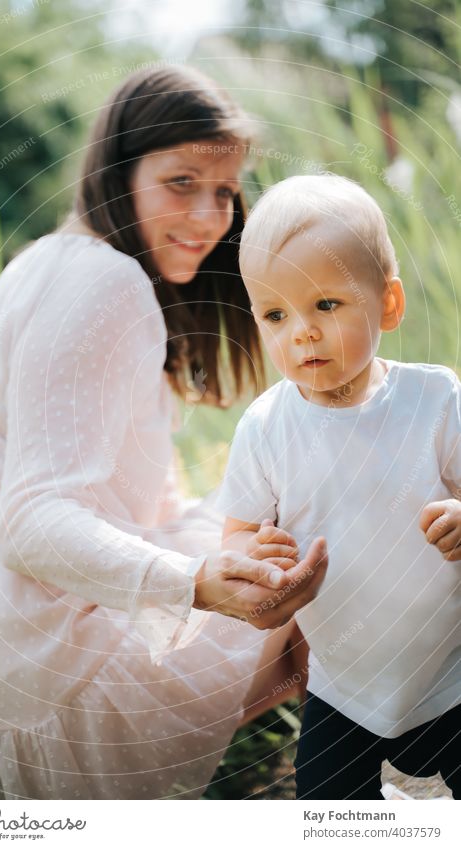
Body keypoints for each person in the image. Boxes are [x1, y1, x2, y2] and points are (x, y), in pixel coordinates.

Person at [0, 66, 327, 800]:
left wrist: (235, 535)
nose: (210, 217)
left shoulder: (53, 264)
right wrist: (196, 581)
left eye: (224, 191)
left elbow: (132, 517)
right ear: (118, 172)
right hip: (52, 700)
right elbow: (33, 523)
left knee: (288, 517)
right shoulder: (103, 283)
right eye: (181, 182)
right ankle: (354, 788)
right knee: (340, 537)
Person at [216, 173, 461, 799]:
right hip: (342, 686)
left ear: (389, 304)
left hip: (451, 678)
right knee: (326, 810)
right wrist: (255, 556)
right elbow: (236, 539)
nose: (301, 331)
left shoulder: (435, 401)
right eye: (275, 314)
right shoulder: (267, 429)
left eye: (327, 304)